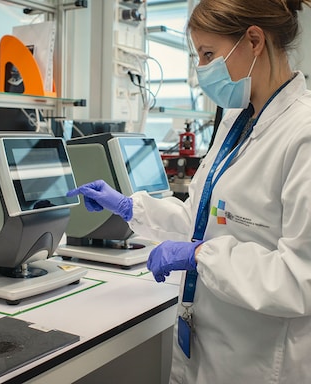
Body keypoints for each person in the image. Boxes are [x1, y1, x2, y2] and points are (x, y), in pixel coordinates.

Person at [67, 0, 311, 382]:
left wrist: (202, 256)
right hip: (207, 345)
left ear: (253, 40)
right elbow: (199, 217)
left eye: (209, 54)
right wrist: (130, 207)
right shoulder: (237, 122)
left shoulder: (303, 133)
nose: (201, 70)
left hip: (261, 360)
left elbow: (300, 278)